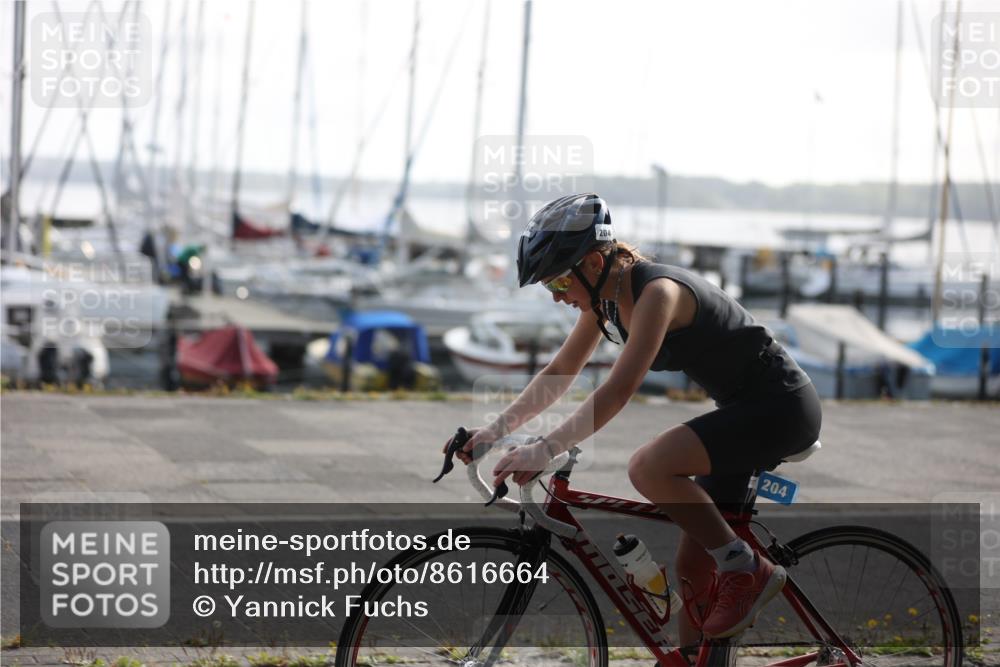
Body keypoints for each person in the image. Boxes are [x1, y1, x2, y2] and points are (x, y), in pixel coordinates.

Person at [444, 193, 822, 651]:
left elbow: (617, 391)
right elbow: (559, 374)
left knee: (649, 467)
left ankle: (748, 569)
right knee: (692, 567)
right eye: (549, 289)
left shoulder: (657, 294)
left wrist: (545, 449)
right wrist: (491, 433)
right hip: (742, 411)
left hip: (781, 407)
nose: (559, 297)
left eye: (560, 283)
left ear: (595, 260)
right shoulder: (603, 303)